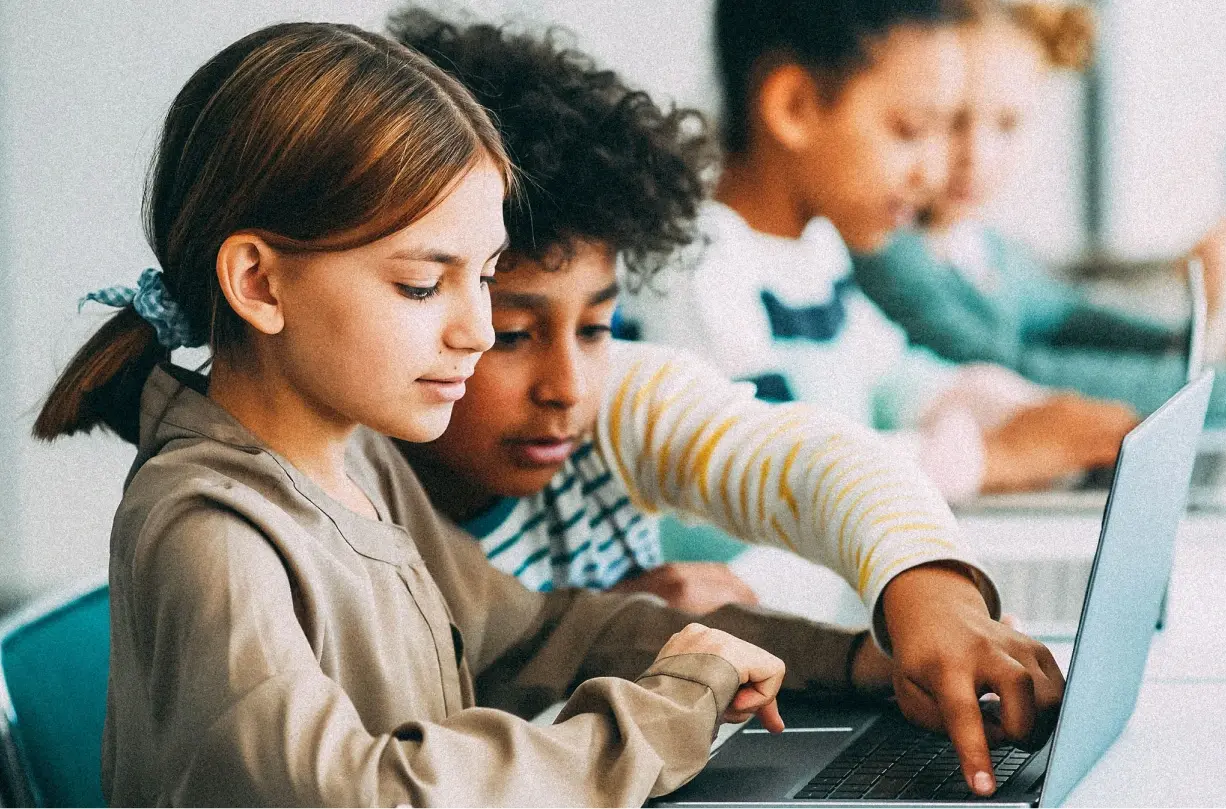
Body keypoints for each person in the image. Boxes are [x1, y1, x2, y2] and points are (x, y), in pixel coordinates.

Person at [32, 22, 911, 806]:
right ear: (259, 283)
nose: (476, 329)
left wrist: (845, 661)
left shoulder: (359, 465)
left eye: (483, 278)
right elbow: (353, 792)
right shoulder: (213, 533)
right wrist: (668, 709)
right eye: (422, 284)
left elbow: (535, 634)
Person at [392, 13, 1063, 798]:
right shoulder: (366, 499)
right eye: (510, 335)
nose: (567, 384)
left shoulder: (615, 398)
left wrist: (928, 592)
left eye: (599, 324)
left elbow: (804, 460)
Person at [620, 0, 1139, 504]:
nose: (932, 172)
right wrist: (990, 459)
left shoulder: (816, 250)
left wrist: (1028, 411)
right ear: (794, 108)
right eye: (910, 130)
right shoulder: (698, 263)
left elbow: (896, 377)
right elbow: (762, 474)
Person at [851, 1, 1226, 422]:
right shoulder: (884, 249)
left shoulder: (981, 245)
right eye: (952, 120)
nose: (977, 154)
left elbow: (1070, 318)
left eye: (1007, 124)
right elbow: (1020, 375)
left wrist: (1194, 350)